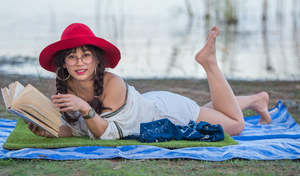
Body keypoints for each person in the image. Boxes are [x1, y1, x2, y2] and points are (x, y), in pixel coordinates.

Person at [28, 23, 272, 139]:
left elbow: (109, 133)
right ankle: (256, 99)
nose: (80, 62)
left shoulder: (113, 83)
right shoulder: (68, 89)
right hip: (151, 105)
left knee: (236, 126)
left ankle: (209, 62)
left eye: (86, 55)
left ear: (96, 60)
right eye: (72, 56)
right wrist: (48, 130)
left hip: (168, 113)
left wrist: (84, 107)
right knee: (214, 112)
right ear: (64, 63)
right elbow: (77, 130)